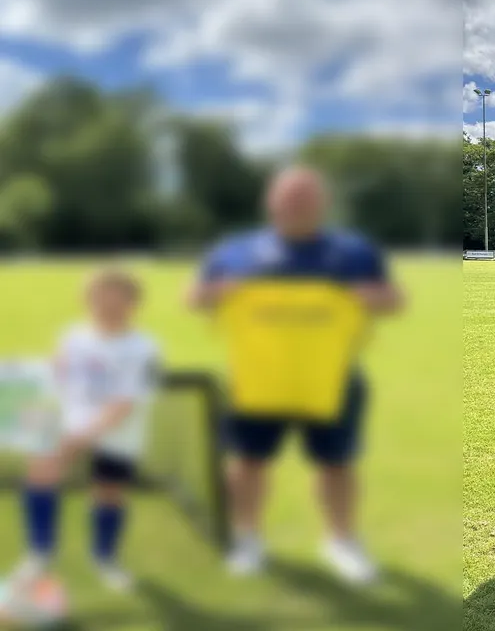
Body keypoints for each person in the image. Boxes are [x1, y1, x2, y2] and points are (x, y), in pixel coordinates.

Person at [190, 166, 402, 584]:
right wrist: (220, 293)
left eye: (306, 200)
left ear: (322, 205)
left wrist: (364, 296)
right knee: (248, 461)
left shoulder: (353, 252)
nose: (297, 207)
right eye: (289, 199)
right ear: (272, 203)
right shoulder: (237, 253)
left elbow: (392, 300)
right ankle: (247, 540)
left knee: (337, 463)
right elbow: (197, 297)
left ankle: (341, 541)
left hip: (332, 379)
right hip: (257, 379)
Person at [11, 269, 160, 592]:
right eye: (98, 296)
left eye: (116, 296)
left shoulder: (144, 348)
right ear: (86, 300)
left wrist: (81, 437)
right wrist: (19, 386)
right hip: (68, 421)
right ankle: (40, 553)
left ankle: (105, 559)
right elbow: (58, 371)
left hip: (119, 431)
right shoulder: (72, 334)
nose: (106, 303)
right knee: (40, 471)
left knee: (108, 492)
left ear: (134, 303)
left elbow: (124, 405)